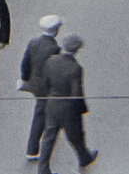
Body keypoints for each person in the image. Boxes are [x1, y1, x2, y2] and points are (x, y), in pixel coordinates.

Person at [36, 34, 98, 174]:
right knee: (76, 136)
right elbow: (77, 93)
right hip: (68, 109)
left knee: (49, 137)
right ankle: (84, 158)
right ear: (76, 50)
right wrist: (81, 109)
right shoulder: (75, 68)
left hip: (52, 104)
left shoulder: (51, 61)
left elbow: (45, 83)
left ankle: (43, 169)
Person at [18, 14, 63, 160]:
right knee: (40, 115)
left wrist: (25, 79)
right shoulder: (54, 48)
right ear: (55, 30)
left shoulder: (33, 43)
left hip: (35, 84)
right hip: (46, 87)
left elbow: (25, 63)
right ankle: (32, 149)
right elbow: (54, 70)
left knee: (42, 110)